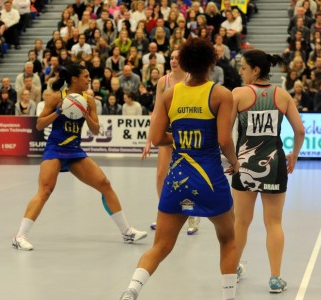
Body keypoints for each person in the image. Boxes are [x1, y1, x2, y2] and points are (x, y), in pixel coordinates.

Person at [119, 38, 240, 300]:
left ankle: (131, 290)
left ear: (183, 63)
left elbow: (158, 138)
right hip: (210, 180)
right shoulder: (220, 94)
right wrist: (235, 161)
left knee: (161, 246)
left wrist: (183, 137)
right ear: (211, 62)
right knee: (228, 240)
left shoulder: (170, 94)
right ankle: (228, 296)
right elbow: (223, 140)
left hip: (177, 180)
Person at [12, 63, 147, 251]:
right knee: (45, 190)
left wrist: (86, 114)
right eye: (86, 76)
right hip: (55, 149)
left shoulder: (89, 100)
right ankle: (20, 236)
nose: (89, 79)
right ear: (74, 79)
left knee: (105, 184)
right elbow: (40, 125)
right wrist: (58, 112)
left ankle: (127, 232)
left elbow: (96, 129)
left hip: (75, 150)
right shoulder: (55, 97)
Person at [231, 50, 305, 293]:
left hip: (244, 165)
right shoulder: (282, 95)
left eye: (243, 68)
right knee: (273, 223)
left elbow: (226, 132)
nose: (240, 72)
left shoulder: (238, 94)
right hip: (274, 166)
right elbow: (300, 130)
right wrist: (294, 154)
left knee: (241, 222)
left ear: (255, 70)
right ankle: (275, 278)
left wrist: (232, 159)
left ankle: (232, 270)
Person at [141, 49, 201, 235]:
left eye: (177, 58)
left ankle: (192, 214)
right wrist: (149, 140)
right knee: (161, 175)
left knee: (187, 175)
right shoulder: (163, 81)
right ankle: (164, 213)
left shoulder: (193, 79)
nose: (174, 61)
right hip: (167, 133)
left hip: (186, 133)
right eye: (172, 58)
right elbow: (157, 112)